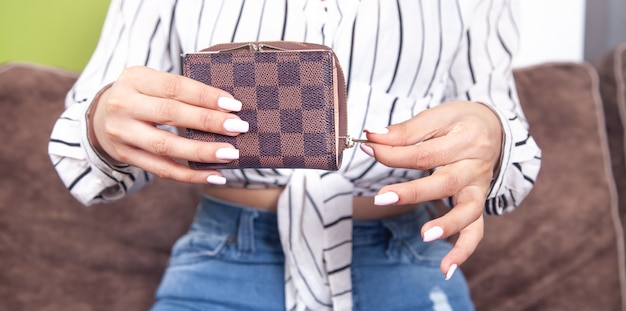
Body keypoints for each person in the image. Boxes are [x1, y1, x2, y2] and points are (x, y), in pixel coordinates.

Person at [48, 0, 541, 310]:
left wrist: (493, 138)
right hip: (224, 258)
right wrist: (99, 123)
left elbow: (513, 166)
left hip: (405, 256)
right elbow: (76, 156)